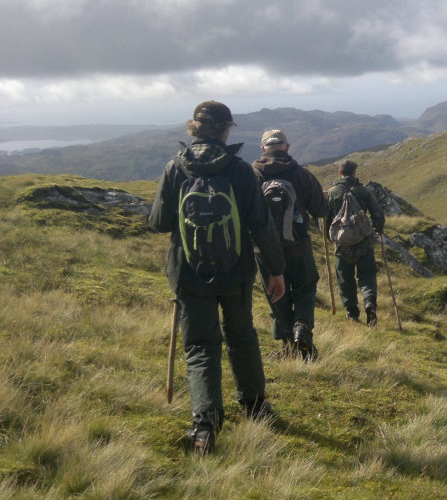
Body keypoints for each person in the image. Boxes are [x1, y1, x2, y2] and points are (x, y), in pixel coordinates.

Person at [149, 100, 286, 455]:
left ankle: (204, 425)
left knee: (199, 347)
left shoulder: (175, 168)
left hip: (189, 274)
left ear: (194, 128)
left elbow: (159, 222)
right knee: (241, 336)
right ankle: (255, 407)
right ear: (226, 130)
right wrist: (276, 270)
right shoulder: (240, 171)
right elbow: (261, 225)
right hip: (236, 272)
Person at [252, 129, 329, 360]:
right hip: (298, 245)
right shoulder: (301, 174)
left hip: (264, 250)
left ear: (263, 148)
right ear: (287, 147)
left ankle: (287, 346)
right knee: (305, 287)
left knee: (276, 294)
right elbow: (320, 211)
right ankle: (302, 328)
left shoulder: (251, 175)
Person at [324, 160, 385, 325]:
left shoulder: (333, 192)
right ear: (354, 172)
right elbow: (377, 213)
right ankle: (369, 302)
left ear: (340, 173)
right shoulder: (363, 191)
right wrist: (377, 229)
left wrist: (329, 237)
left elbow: (326, 218)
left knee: (345, 277)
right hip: (363, 240)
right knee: (367, 273)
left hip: (342, 244)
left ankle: (351, 312)